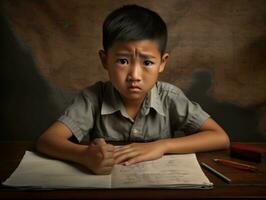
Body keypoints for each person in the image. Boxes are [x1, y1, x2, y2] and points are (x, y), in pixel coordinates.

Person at [36, 5, 230, 175]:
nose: (134, 75)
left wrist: (163, 146)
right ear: (105, 60)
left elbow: (220, 137)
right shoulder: (93, 98)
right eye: (122, 61)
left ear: (162, 63)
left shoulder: (170, 97)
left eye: (147, 62)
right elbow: (47, 140)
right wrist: (84, 155)